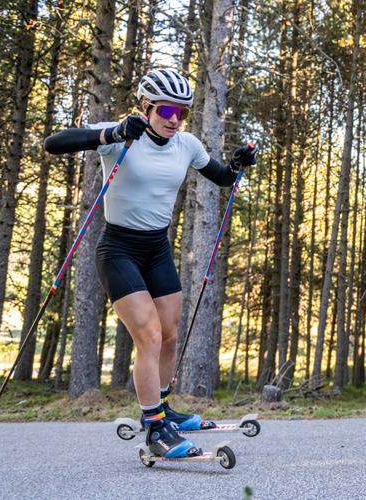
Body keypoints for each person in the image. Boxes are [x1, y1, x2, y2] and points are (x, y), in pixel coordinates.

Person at [45, 68, 255, 459]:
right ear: (147, 106)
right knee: (150, 336)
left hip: (157, 248)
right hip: (119, 248)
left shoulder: (187, 144)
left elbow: (223, 177)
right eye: (167, 110)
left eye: (182, 112)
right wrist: (111, 133)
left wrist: (239, 163)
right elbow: (53, 143)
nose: (175, 119)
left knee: (170, 336)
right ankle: (155, 429)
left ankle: (162, 407)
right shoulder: (123, 133)